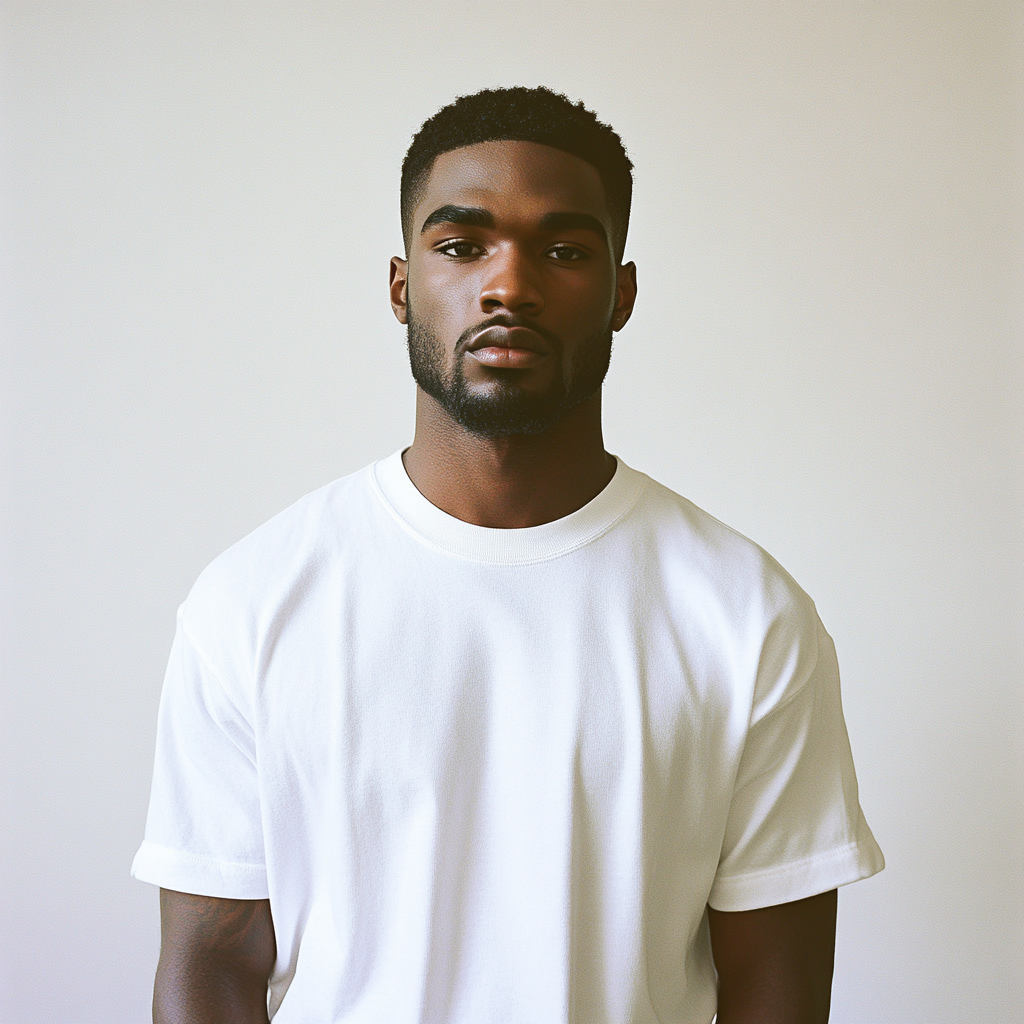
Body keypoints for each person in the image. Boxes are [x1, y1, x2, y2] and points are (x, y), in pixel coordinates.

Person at [132, 86, 884, 1024]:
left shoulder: (746, 612)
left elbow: (779, 981)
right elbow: (211, 965)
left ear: (623, 294)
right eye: (461, 245)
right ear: (403, 285)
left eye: (564, 250)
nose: (509, 285)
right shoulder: (253, 600)